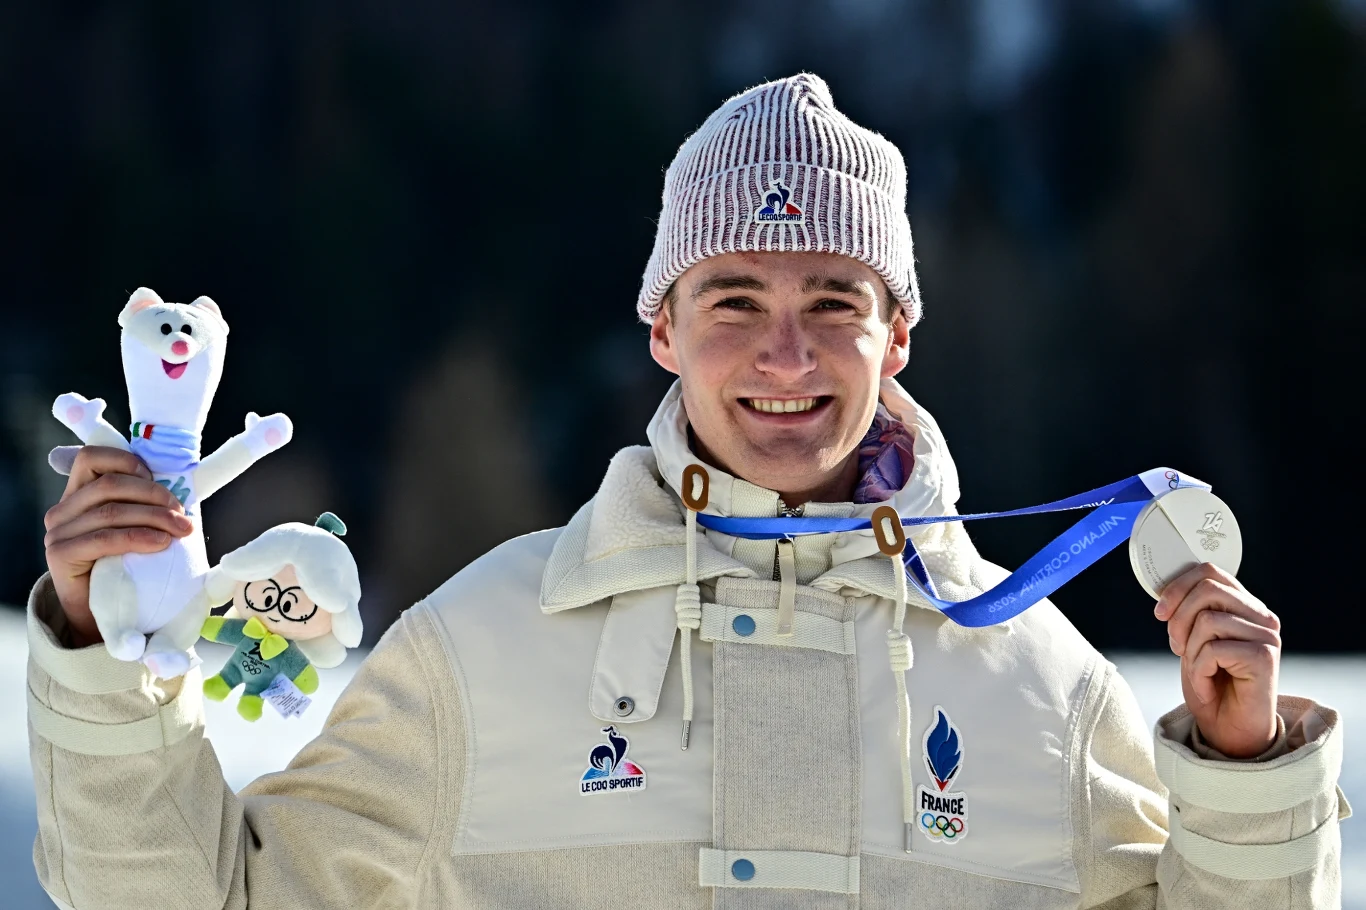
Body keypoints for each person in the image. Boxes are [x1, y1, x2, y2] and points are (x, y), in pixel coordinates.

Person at [27, 73, 1348, 909]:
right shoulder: (485, 645)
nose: (784, 353)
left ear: (897, 337)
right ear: (662, 326)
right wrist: (96, 656)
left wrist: (1242, 780)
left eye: (833, 302)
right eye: (734, 300)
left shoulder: (1044, 689)